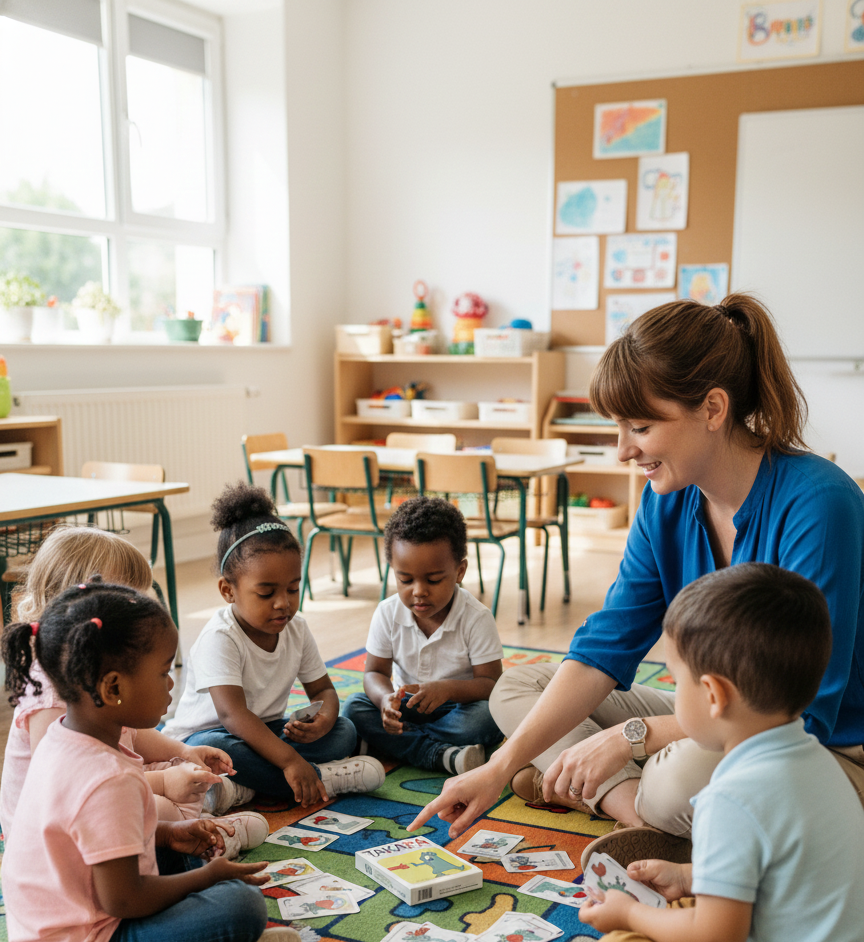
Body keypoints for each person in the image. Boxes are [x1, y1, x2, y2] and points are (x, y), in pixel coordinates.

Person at [409, 294, 864, 863]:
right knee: (519, 688)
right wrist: (499, 770)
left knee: (679, 778)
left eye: (641, 426)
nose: (623, 450)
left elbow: (799, 715)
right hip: (709, 713)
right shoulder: (666, 502)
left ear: (713, 408)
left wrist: (632, 737)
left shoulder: (820, 503)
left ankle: (618, 795)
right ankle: (637, 814)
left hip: (817, 745)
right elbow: (608, 644)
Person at [512, 564, 864, 942]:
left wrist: (630, 918)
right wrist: (689, 877)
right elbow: (794, 873)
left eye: (675, 681)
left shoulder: (732, 797)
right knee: (691, 901)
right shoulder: (814, 763)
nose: (672, 694)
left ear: (714, 696)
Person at [1, 580, 302, 942]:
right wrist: (205, 879)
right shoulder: (107, 779)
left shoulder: (61, 737)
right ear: (113, 688)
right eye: (163, 673)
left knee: (193, 863)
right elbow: (123, 901)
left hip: (57, 929)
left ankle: (197, 939)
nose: (171, 685)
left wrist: (166, 834)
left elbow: (86, 841)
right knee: (241, 907)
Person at [0, 525, 267, 859]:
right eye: (131, 604)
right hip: (62, 834)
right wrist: (165, 783)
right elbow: (66, 785)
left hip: (110, 780)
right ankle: (207, 833)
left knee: (186, 759)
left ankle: (198, 815)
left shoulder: (101, 667)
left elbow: (133, 736)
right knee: (157, 803)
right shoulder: (52, 689)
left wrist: (182, 753)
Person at [161, 484, 385, 805]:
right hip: (207, 740)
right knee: (222, 747)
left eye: (293, 589)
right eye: (266, 593)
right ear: (228, 590)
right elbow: (233, 716)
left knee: (344, 730)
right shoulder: (219, 637)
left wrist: (323, 720)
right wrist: (291, 761)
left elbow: (323, 692)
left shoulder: (297, 628)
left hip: (266, 732)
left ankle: (243, 788)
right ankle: (325, 779)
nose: (283, 603)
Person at [343, 497, 504, 773]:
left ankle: (392, 743)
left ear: (459, 572)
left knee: (487, 719)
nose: (418, 591)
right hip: (407, 706)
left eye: (433, 580)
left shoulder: (476, 617)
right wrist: (384, 700)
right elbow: (374, 674)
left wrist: (448, 689)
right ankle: (440, 754)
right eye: (405, 580)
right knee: (354, 708)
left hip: (457, 709)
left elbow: (490, 683)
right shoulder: (387, 613)